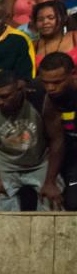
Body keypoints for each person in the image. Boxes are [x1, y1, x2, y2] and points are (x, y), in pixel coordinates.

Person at [0, 71, 63, 211]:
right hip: (7, 164)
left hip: (40, 162)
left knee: (52, 202)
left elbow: (57, 139)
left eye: (4, 96)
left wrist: (50, 181)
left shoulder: (40, 101)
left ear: (20, 90)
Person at [38, 52, 77, 209]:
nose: (50, 88)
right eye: (45, 82)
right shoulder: (50, 100)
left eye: (57, 82)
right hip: (73, 159)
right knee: (73, 204)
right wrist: (49, 181)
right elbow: (57, 140)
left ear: (73, 74)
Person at [33, 1, 77, 68]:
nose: (45, 22)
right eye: (40, 19)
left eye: (51, 18)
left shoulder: (75, 37)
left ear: (64, 18)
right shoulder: (33, 45)